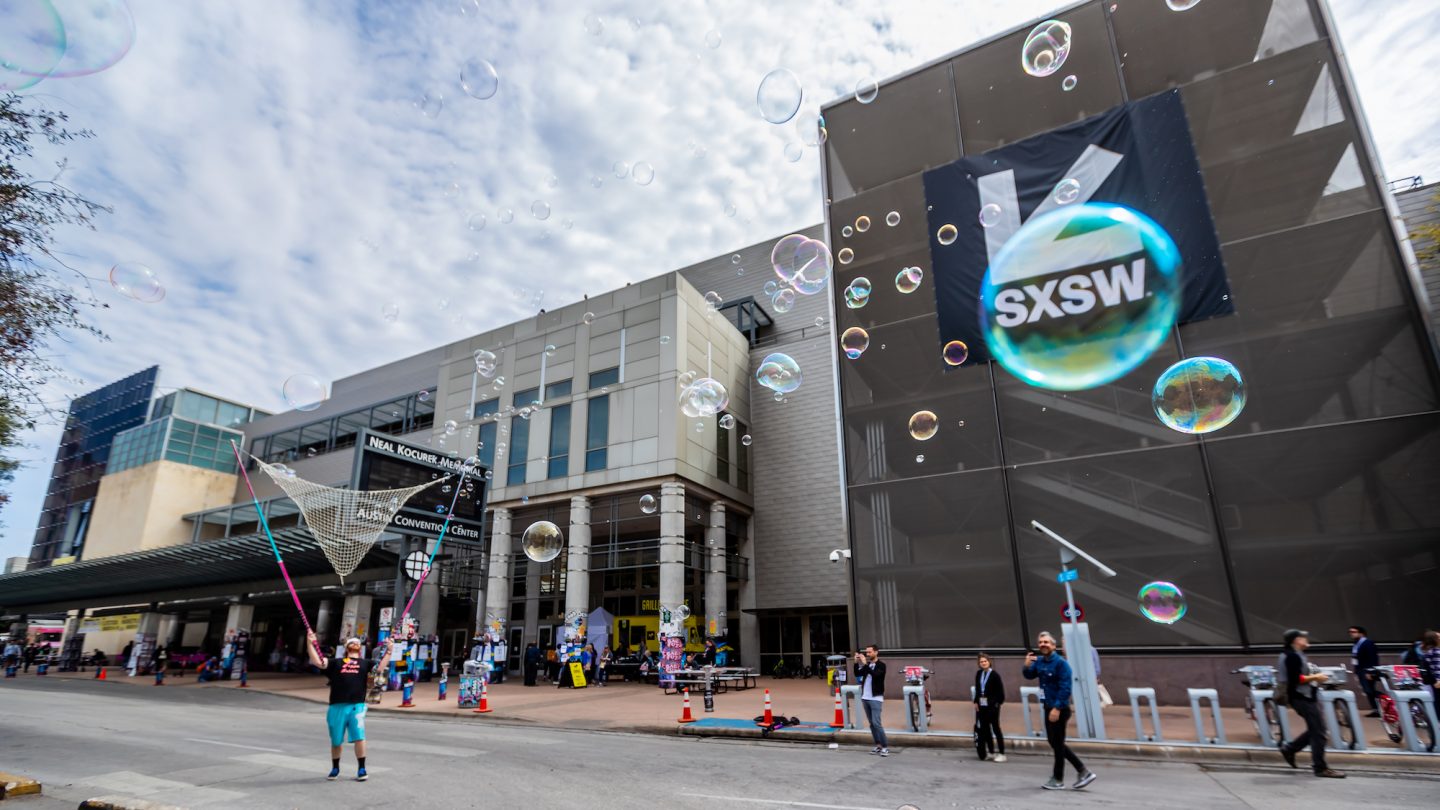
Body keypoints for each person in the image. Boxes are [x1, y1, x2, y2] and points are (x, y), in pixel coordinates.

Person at [306, 630, 392, 782]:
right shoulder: (336, 662)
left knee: (359, 736)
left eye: (358, 642)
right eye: (352, 642)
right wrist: (309, 642)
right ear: (346, 647)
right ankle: (335, 768)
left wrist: (390, 650)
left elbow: (380, 668)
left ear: (360, 648)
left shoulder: (365, 663)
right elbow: (318, 661)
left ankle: (361, 768)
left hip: (357, 706)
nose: (355, 643)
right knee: (336, 740)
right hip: (336, 706)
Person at [1024, 631, 1095, 790]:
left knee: (1057, 744)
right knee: (1055, 742)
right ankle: (1082, 772)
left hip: (1059, 709)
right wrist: (1027, 665)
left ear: (1054, 646)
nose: (1043, 644)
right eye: (1041, 642)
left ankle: (1060, 777)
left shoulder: (1062, 664)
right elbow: (1029, 675)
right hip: (1048, 707)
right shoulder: (1040, 661)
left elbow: (1065, 688)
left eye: (1046, 642)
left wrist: (1056, 708)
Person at [1279, 628, 1345, 778]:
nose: (1306, 639)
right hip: (1301, 698)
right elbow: (1295, 679)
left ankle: (1290, 749)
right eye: (1303, 637)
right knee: (1319, 732)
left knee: (1316, 730)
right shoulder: (1292, 656)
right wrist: (1317, 677)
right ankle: (1320, 768)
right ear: (1296, 640)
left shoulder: (1295, 654)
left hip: (1304, 697)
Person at [853, 645, 889, 757]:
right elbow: (857, 674)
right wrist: (855, 662)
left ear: (876, 652)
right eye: (867, 652)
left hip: (876, 698)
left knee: (877, 723)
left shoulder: (881, 665)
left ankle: (885, 747)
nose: (868, 654)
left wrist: (864, 664)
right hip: (865, 697)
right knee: (872, 724)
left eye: (870, 652)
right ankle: (878, 745)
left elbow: (876, 675)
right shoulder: (867, 665)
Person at [973, 652, 1006, 763]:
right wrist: (975, 701)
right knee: (986, 730)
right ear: (979, 663)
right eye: (981, 662)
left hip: (992, 707)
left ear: (989, 662)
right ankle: (991, 752)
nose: (983, 663)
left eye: (985, 661)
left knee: (996, 729)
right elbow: (978, 689)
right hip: (982, 706)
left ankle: (1002, 753)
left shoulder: (995, 675)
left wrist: (996, 705)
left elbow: (1001, 693)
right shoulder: (979, 674)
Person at [1348, 625, 1380, 716]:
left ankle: (1386, 701)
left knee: (1369, 690)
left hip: (1367, 670)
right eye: (1350, 632)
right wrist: (1356, 671)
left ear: (1361, 633)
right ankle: (1376, 709)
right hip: (1360, 670)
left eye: (1353, 632)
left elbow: (1373, 658)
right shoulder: (1356, 644)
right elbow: (1356, 658)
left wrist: (1371, 671)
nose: (1351, 634)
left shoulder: (1368, 643)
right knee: (1367, 690)